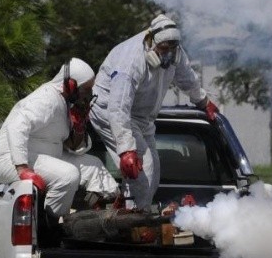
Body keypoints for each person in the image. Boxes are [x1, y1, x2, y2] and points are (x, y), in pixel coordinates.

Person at [89, 14, 219, 211]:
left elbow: (187, 78)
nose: (167, 54)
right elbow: (118, 107)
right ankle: (132, 222)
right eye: (163, 48)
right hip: (109, 111)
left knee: (153, 172)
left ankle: (130, 213)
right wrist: (126, 149)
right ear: (150, 41)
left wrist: (203, 100)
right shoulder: (131, 61)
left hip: (142, 117)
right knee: (143, 171)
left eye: (172, 48)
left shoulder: (176, 53)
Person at [0, 58, 120, 222]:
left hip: (44, 154)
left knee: (94, 166)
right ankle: (52, 225)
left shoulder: (63, 103)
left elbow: (69, 145)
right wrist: (23, 169)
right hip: (10, 159)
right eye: (86, 89)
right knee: (68, 175)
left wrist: (79, 127)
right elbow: (16, 126)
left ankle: (108, 215)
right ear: (71, 85)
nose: (88, 94)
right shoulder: (47, 99)